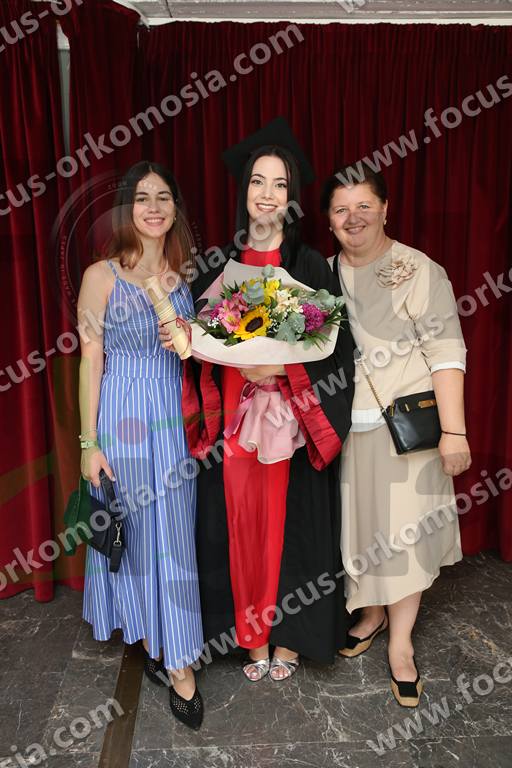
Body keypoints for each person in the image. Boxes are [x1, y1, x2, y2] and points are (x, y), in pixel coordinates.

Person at [161, 119, 354, 681]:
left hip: (291, 420)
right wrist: (187, 341)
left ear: (292, 197)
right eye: (258, 182)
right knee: (239, 520)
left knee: (287, 523)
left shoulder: (310, 264)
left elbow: (337, 348)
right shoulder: (218, 265)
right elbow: (202, 339)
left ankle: (289, 635)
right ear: (244, 190)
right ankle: (250, 636)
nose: (267, 194)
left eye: (280, 184)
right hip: (233, 418)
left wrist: (280, 366)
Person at [322, 163, 471, 707]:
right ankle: (371, 613)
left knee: (405, 539)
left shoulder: (418, 269)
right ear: (328, 221)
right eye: (341, 209)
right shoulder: (321, 276)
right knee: (361, 533)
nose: (353, 217)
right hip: (345, 430)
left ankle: (401, 642)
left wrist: (454, 431)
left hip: (408, 429)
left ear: (386, 209)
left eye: (364, 206)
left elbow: (446, 352)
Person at [78, 161, 204, 730]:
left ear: (175, 209)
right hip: (124, 417)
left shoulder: (184, 277)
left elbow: (200, 354)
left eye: (164, 197)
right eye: (142, 197)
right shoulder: (101, 276)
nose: (154, 207)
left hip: (174, 417)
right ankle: (160, 643)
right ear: (127, 209)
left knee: (173, 534)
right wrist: (89, 443)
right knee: (134, 534)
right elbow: (90, 361)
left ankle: (176, 650)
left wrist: (191, 339)